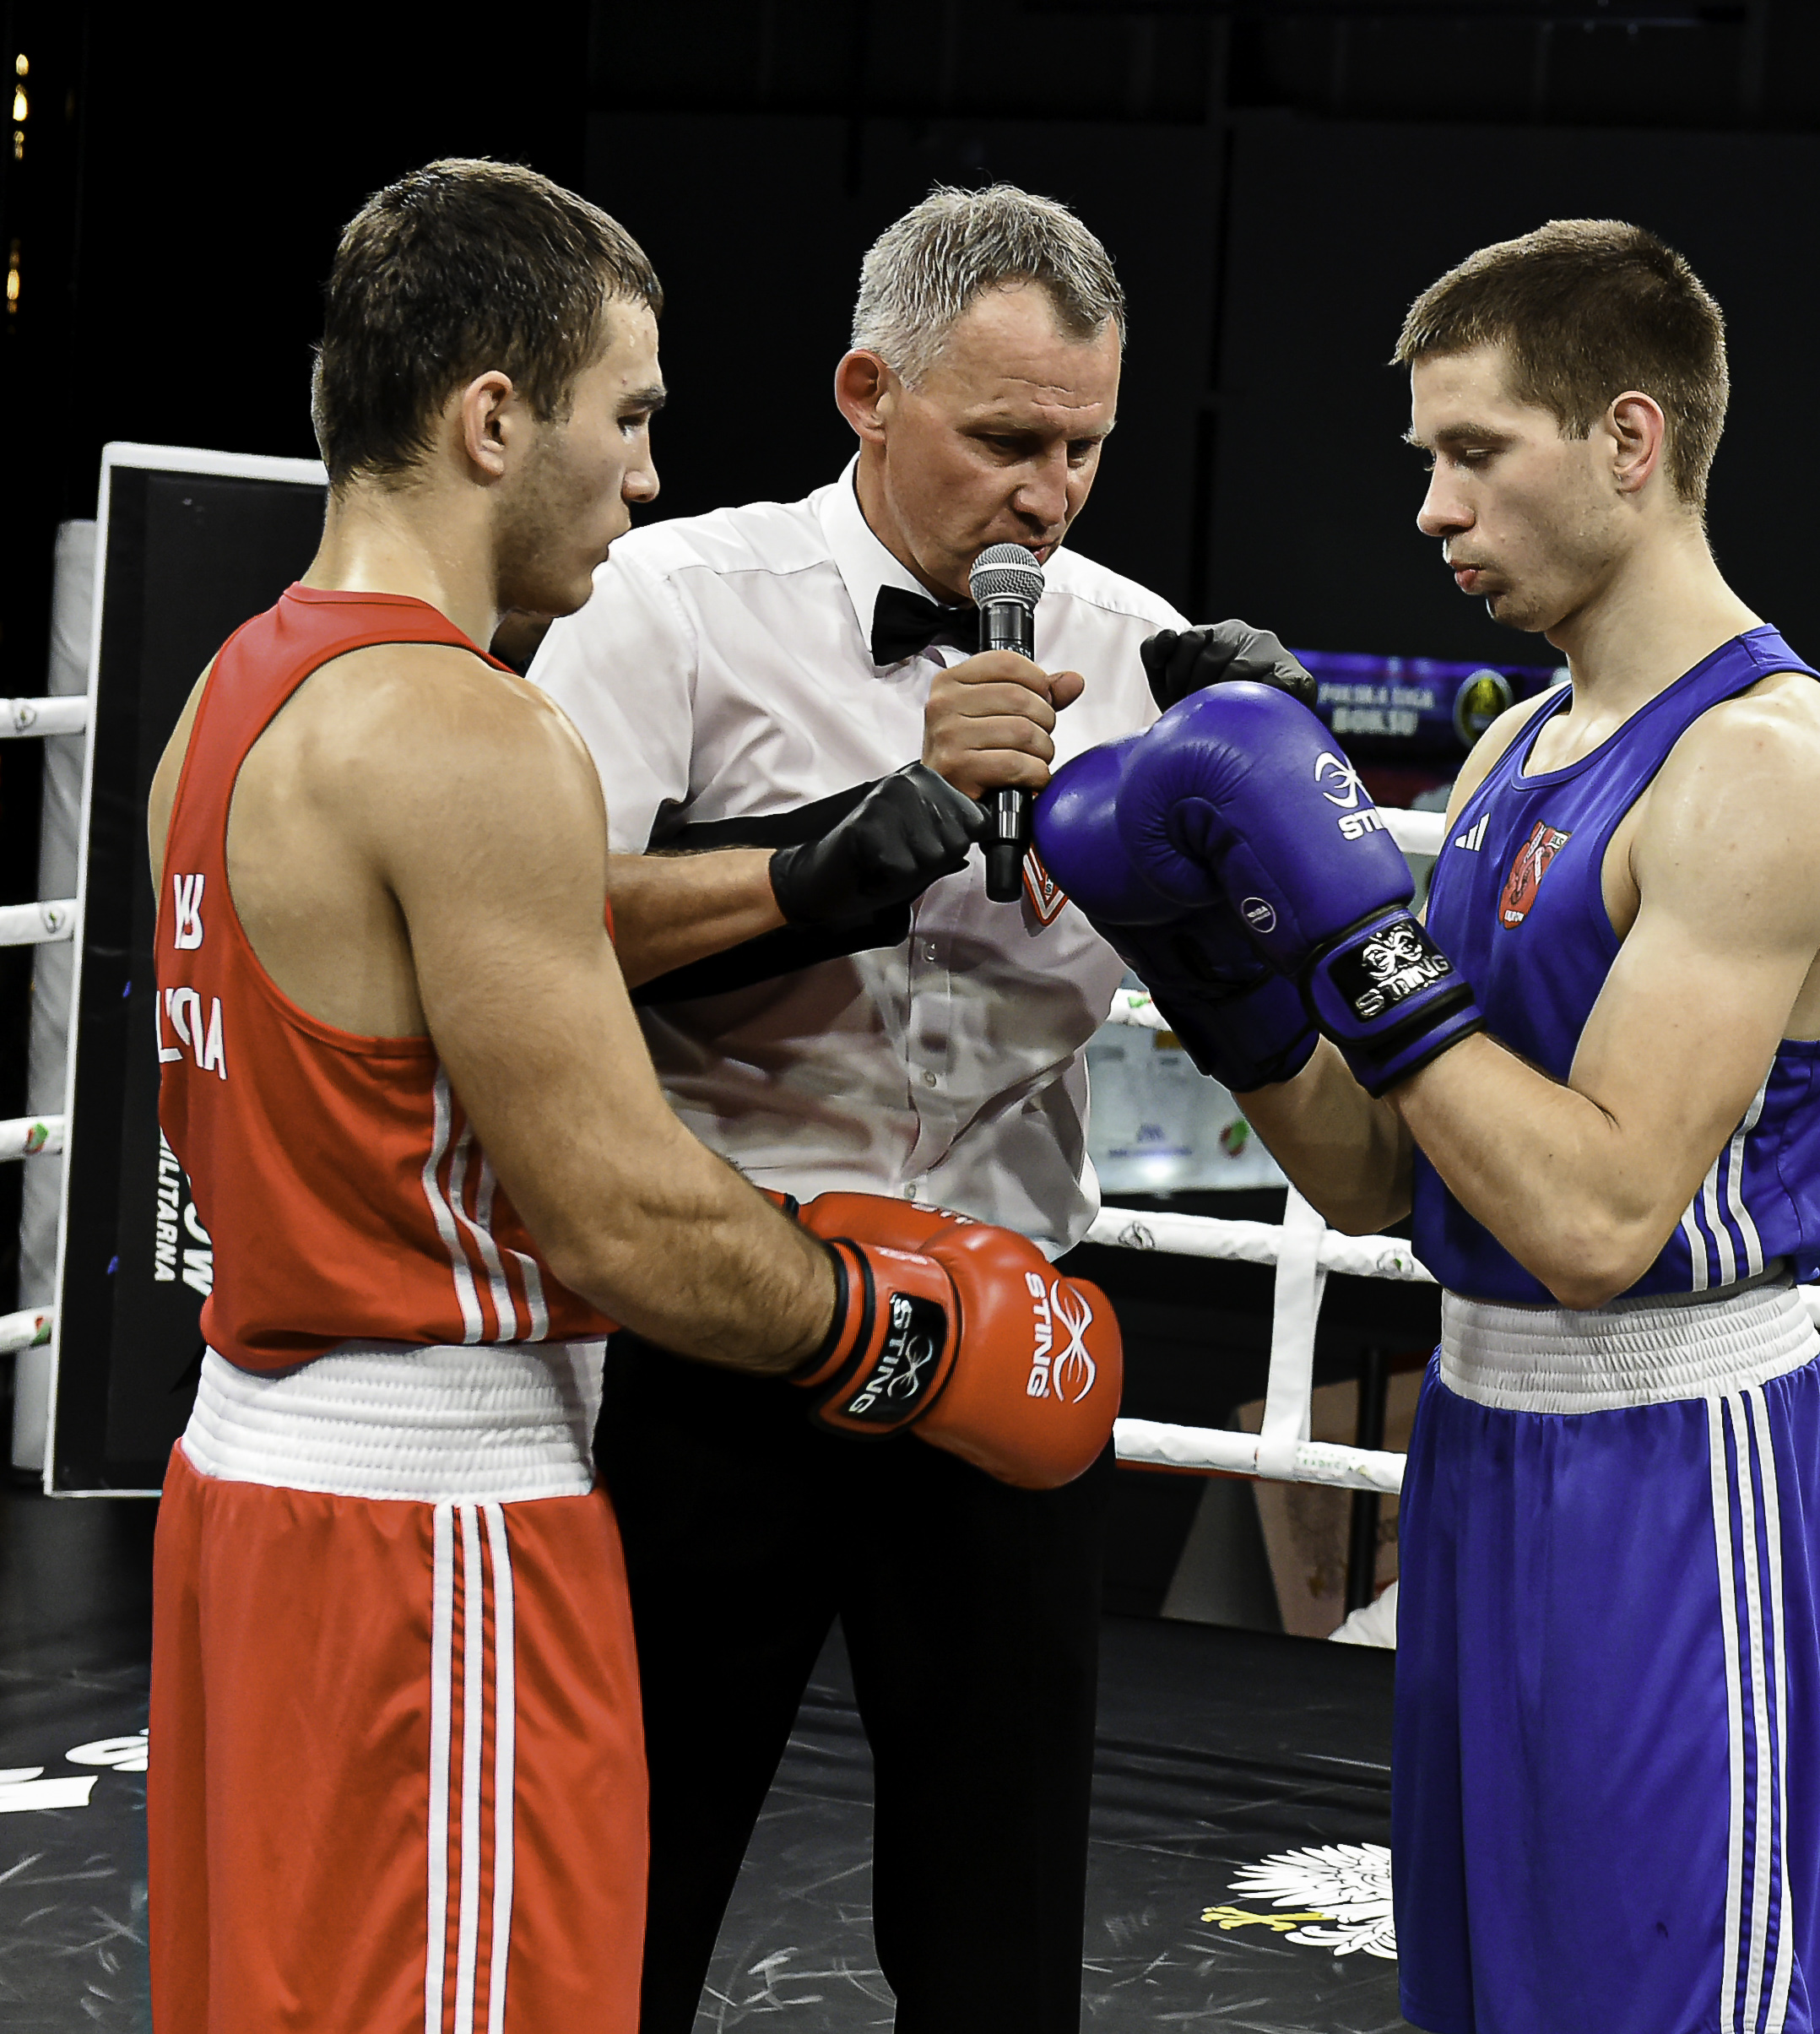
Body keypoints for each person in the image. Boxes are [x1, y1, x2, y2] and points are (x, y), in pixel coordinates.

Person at [144, 160, 1119, 2034]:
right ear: (491, 420)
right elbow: (615, 1211)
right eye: (627, 414)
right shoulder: (469, 726)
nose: (649, 471)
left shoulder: (226, 697)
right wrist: (909, 1326)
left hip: (251, 1469)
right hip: (437, 1506)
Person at [1037, 219, 1820, 2034]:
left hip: (1674, 1456)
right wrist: (1226, 972)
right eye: (1427, 457)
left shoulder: (1764, 765)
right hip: (1481, 1437)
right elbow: (1377, 1172)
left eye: (1474, 452)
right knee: (1487, 1989)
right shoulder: (1515, 753)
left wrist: (1359, 931)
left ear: (1628, 439)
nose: (1432, 506)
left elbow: (1592, 1221)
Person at [524, 181, 1312, 2031]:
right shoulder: (670, 605)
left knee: (997, 1922)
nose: (1050, 494)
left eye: (1084, 447)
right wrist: (836, 851)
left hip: (1008, 1332)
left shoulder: (1139, 653)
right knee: (627, 1884)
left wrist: (1279, 796)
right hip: (721, 1317)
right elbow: (536, 932)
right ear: (868, 392)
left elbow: (1261, 998)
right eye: (1006, 440)